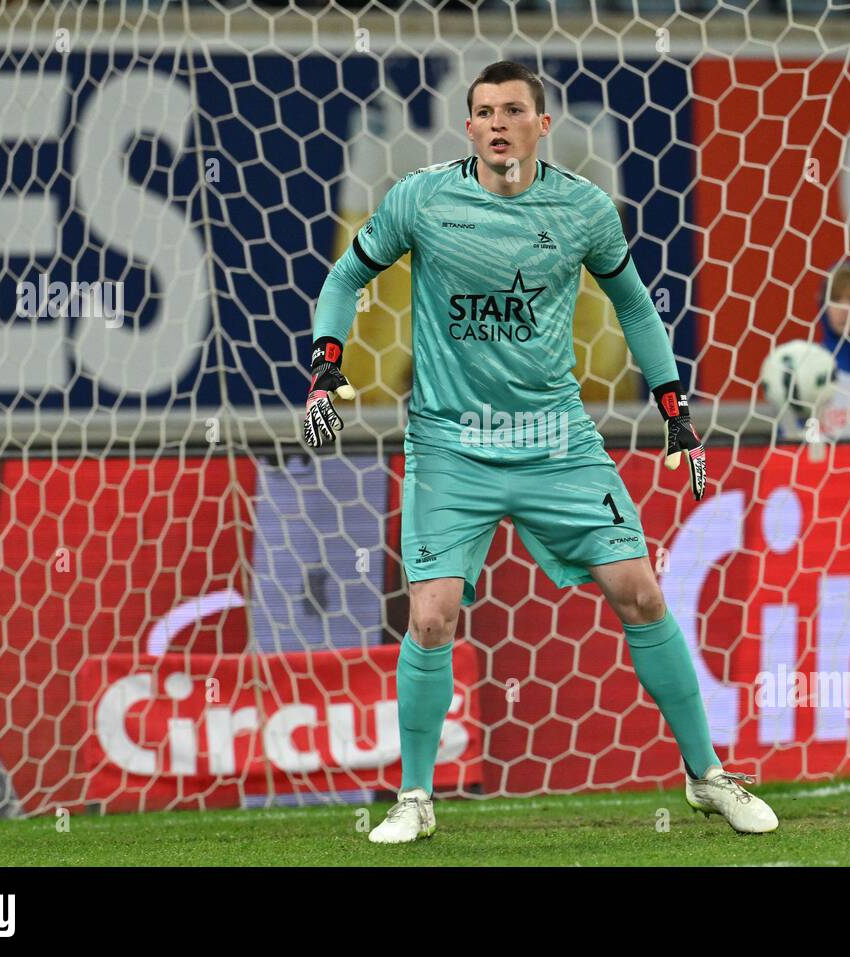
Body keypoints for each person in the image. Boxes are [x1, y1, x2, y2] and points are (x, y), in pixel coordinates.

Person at [304, 60, 778, 843]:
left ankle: (708, 776)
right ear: (469, 128)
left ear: (541, 123)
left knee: (642, 592)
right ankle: (415, 798)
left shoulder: (584, 208)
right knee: (432, 615)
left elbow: (633, 302)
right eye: (484, 111)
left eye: (513, 109)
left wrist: (674, 410)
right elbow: (347, 273)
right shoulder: (422, 199)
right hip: (451, 444)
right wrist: (326, 368)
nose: (497, 123)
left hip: (556, 440)